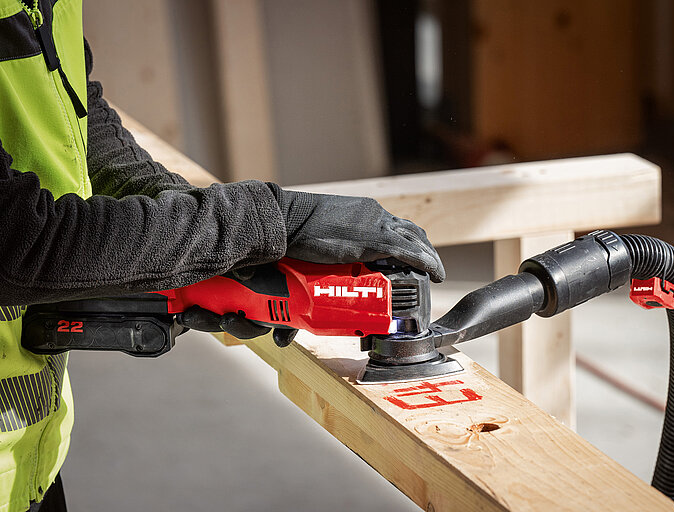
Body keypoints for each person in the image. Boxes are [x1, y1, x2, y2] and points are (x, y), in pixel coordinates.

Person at [0, 1, 445, 510]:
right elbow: (20, 245)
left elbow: (80, 124)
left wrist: (202, 243)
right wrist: (267, 219)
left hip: (30, 461)